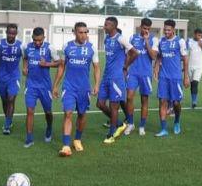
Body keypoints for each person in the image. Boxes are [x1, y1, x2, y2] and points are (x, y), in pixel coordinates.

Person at [53, 22, 99, 157]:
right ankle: (66, 145)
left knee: (82, 114)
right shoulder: (67, 46)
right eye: (81, 32)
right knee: (68, 113)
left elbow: (96, 67)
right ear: (74, 32)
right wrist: (55, 85)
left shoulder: (92, 48)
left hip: (84, 88)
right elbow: (61, 66)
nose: (84, 35)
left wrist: (96, 85)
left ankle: (77, 139)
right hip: (69, 87)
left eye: (86, 32)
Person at [96, 16, 136, 144]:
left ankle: (111, 134)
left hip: (117, 78)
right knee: (100, 104)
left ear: (113, 26)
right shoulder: (107, 39)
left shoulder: (121, 38)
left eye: (107, 25)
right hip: (106, 76)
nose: (104, 26)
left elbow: (134, 53)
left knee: (114, 106)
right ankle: (119, 124)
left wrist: (125, 66)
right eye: (104, 24)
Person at [22, 27, 58, 147]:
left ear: (44, 38)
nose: (37, 43)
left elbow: (59, 62)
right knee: (30, 110)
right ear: (32, 38)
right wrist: (25, 67)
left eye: (40, 40)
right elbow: (25, 58)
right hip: (31, 85)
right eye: (35, 40)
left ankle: (49, 127)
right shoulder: (28, 47)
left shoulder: (50, 48)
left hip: (45, 86)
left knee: (48, 112)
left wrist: (47, 64)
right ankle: (29, 138)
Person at [152, 19, 188, 137]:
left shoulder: (180, 41)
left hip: (176, 77)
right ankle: (163, 129)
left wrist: (186, 76)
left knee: (176, 103)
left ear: (173, 30)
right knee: (162, 101)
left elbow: (185, 59)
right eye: (165, 29)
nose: (166, 32)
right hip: (163, 77)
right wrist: (156, 68)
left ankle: (177, 121)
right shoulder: (161, 42)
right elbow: (159, 57)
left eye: (168, 30)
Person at [123, 17, 157, 135]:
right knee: (129, 97)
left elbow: (153, 56)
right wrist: (126, 67)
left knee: (144, 100)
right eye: (144, 28)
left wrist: (147, 41)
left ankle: (142, 126)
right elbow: (128, 54)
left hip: (146, 74)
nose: (145, 30)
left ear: (150, 28)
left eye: (148, 28)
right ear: (140, 27)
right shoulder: (133, 38)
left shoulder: (154, 39)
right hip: (133, 73)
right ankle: (131, 124)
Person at [186, 28, 202, 109]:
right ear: (194, 34)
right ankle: (193, 100)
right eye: (198, 35)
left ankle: (194, 102)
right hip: (190, 66)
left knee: (195, 83)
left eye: (200, 35)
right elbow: (186, 53)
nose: (199, 37)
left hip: (199, 66)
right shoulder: (189, 41)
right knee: (192, 85)